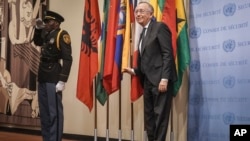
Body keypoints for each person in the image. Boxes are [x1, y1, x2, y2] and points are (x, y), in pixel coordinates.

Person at [124, 2, 177, 141]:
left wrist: (165, 78)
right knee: (150, 117)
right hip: (148, 82)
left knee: (160, 117)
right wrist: (134, 71)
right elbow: (148, 59)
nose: (138, 14)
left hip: (161, 81)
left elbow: (167, 54)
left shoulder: (160, 27)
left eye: (141, 11)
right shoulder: (143, 33)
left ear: (151, 14)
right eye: (136, 12)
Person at [33, 10, 73, 141]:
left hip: (53, 75)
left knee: (54, 112)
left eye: (48, 22)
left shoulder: (62, 35)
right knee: (44, 112)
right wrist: (38, 29)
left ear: (56, 23)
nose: (46, 24)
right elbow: (37, 42)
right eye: (45, 22)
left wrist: (62, 80)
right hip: (43, 74)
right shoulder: (46, 33)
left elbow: (67, 59)